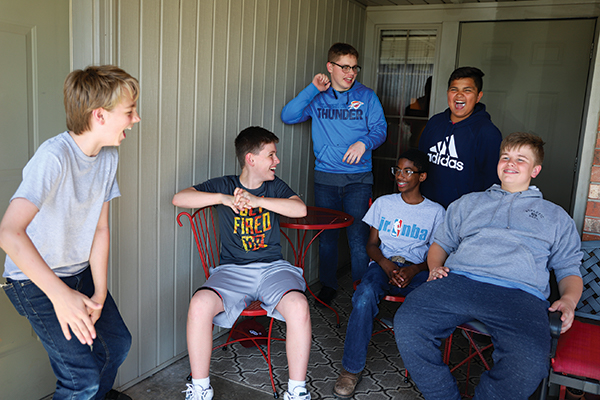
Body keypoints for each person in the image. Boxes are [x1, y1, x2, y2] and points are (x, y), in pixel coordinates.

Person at [394, 132, 583, 400]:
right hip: (460, 281)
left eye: (521, 159)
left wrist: (568, 300)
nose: (510, 163)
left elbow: (569, 269)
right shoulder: (469, 202)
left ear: (535, 169)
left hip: (521, 295)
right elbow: (440, 245)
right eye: (505, 157)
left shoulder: (556, 217)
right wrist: (435, 267)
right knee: (409, 321)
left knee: (529, 360)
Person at [0, 65, 140, 400]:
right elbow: (9, 232)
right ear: (100, 115)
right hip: (33, 282)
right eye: (130, 111)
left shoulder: (108, 157)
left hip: (79, 274)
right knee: (82, 379)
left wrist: (101, 293)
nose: (136, 120)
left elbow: (100, 228)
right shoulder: (54, 157)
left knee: (117, 344)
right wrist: (60, 296)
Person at [172, 126, 312, 400]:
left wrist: (258, 200)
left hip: (273, 268)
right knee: (199, 304)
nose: (276, 161)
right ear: (251, 159)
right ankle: (200, 388)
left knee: (298, 305)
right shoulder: (224, 185)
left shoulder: (274, 186)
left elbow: (300, 209)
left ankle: (296, 391)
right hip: (232, 271)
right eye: (271, 155)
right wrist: (223, 199)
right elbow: (180, 198)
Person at [281, 42, 387, 306]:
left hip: (359, 179)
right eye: (345, 67)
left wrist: (365, 142)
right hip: (326, 178)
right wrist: (312, 89)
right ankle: (328, 285)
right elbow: (288, 115)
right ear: (330, 67)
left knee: (358, 238)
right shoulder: (318, 97)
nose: (351, 73)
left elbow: (380, 129)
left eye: (354, 67)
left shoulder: (367, 96)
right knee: (326, 239)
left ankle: (363, 290)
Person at [333, 149, 444, 399]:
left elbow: (438, 253)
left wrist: (413, 269)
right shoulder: (384, 203)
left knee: (430, 303)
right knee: (363, 296)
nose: (400, 176)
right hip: (384, 266)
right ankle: (350, 370)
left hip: (417, 269)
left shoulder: (436, 212)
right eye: (398, 170)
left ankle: (424, 369)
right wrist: (386, 264)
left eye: (408, 171)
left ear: (422, 176)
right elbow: (371, 244)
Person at [418, 66, 503, 208]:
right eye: (454, 89)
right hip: (427, 209)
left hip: (463, 215)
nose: (459, 95)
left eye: (467, 90)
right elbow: (419, 164)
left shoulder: (488, 133)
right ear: (447, 93)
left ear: (478, 96)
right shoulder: (435, 123)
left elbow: (492, 183)